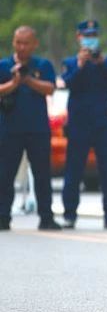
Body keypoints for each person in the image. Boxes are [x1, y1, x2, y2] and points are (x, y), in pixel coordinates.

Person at [60, 20, 107, 230]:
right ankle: (69, 214)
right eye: (86, 35)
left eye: (94, 35)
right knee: (73, 171)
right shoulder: (70, 62)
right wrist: (80, 64)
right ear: (78, 37)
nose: (90, 38)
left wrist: (102, 62)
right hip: (78, 125)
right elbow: (67, 82)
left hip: (102, 125)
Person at [0, 26, 61, 231]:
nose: (22, 47)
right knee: (5, 175)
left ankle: (46, 217)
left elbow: (50, 89)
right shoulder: (4, 65)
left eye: (26, 43)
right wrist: (14, 82)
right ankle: (2, 216)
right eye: (18, 42)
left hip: (37, 129)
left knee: (42, 175)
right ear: (13, 43)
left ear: (35, 44)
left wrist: (28, 80)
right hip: (10, 129)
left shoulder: (43, 65)